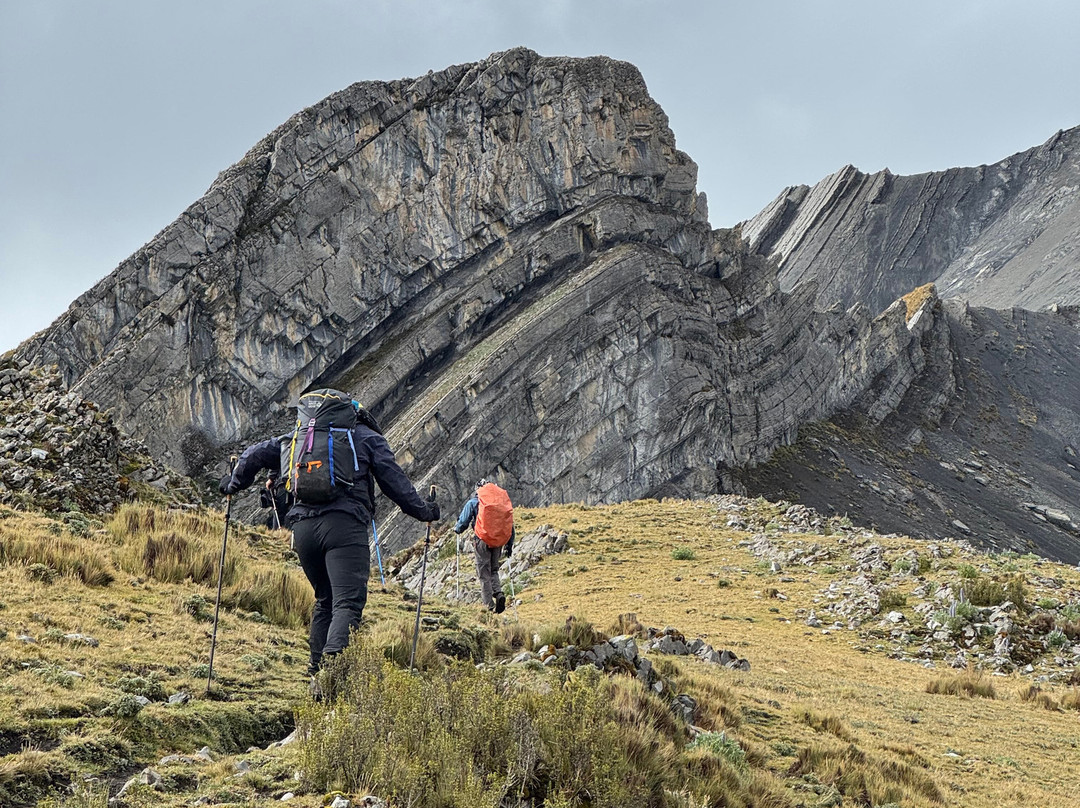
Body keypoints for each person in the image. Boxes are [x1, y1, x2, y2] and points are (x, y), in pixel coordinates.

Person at [219, 388, 439, 683]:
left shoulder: (300, 437)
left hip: (303, 530)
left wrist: (232, 484)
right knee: (347, 604)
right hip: (344, 527)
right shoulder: (366, 438)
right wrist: (426, 511)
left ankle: (315, 673)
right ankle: (332, 671)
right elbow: (395, 484)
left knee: (324, 599)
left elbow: (253, 455)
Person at [454, 479, 514, 613]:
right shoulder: (500, 505)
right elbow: (510, 526)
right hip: (497, 541)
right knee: (493, 570)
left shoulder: (474, 502)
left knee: (483, 573)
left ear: (478, 489)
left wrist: (457, 529)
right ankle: (498, 593)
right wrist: (509, 546)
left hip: (481, 540)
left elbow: (463, 521)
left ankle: (489, 606)